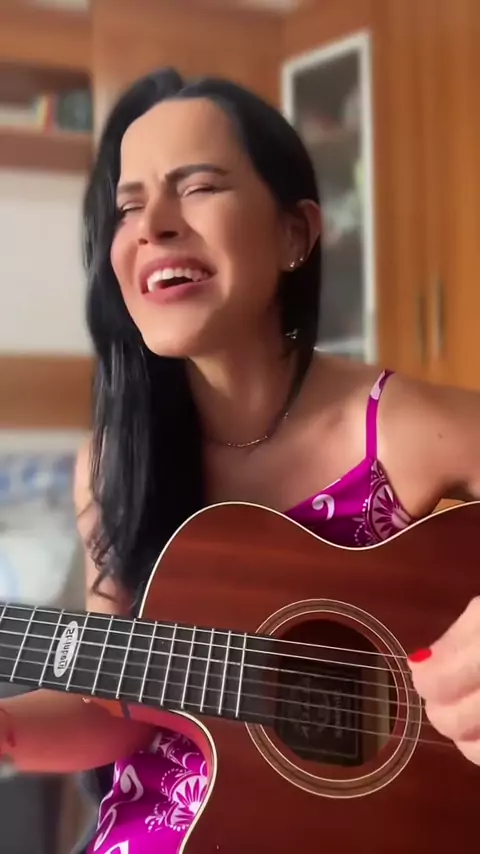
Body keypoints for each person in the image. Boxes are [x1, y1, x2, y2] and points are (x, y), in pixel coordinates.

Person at [1, 67, 480, 853]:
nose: (153, 226)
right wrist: (8, 732)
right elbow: (116, 709)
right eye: (127, 207)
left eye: (197, 187)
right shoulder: (116, 462)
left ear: (295, 234)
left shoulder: (393, 427)